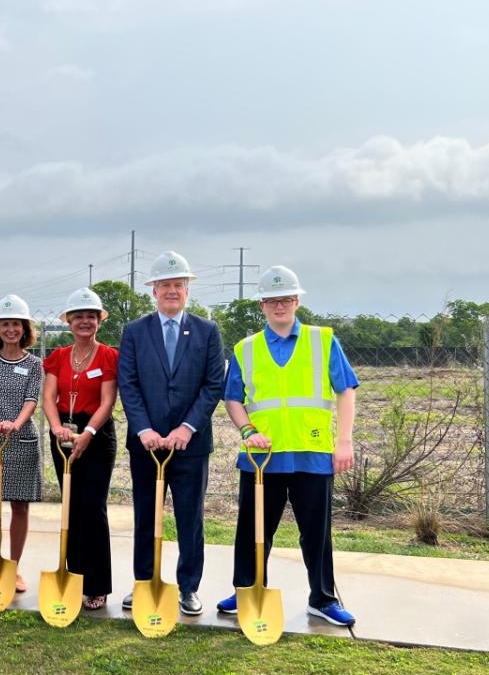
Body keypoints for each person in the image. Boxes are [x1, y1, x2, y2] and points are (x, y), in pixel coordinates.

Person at [216, 265, 359, 627]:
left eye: (286, 299)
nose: (279, 306)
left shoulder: (322, 340)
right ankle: (247, 588)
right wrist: (247, 431)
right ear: (262, 305)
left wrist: (343, 442)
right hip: (262, 458)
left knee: (317, 533)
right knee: (252, 530)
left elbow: (346, 390)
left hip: (312, 453)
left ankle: (323, 598)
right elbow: (233, 398)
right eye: (271, 300)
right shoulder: (245, 349)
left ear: (296, 301)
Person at [118, 251, 224, 616]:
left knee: (189, 517)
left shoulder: (208, 331)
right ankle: (144, 581)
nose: (172, 291)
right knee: (146, 515)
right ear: (154, 291)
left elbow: (213, 384)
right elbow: (128, 384)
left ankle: (188, 587)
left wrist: (186, 427)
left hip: (190, 445)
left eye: (179, 284)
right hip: (146, 444)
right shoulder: (134, 332)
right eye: (165, 285)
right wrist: (144, 428)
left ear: (188, 290)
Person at [41, 287, 119, 610]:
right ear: (69, 322)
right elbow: (48, 397)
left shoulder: (108, 356)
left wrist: (87, 432)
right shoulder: (58, 356)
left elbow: (108, 401)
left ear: (99, 320)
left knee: (92, 506)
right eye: (78, 317)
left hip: (96, 435)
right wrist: (56, 425)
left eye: (91, 316)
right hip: (63, 433)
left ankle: (97, 584)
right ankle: (73, 574)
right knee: (71, 506)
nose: (85, 322)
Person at [0, 294, 43, 594]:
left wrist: (16, 423)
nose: (11, 329)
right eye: (5, 324)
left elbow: (32, 399)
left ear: (25, 328)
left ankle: (14, 568)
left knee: (19, 506)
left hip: (22, 439)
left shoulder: (35, 364)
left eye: (16, 324)